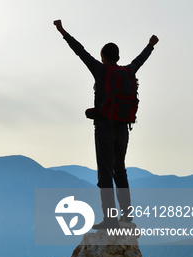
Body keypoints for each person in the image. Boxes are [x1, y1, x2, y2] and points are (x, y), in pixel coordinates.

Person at [53, 19, 159, 229]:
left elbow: (80, 51)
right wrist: (151, 45)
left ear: (103, 57)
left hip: (104, 128)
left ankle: (110, 219)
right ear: (118, 58)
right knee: (120, 170)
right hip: (123, 128)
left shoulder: (100, 71)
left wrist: (62, 31)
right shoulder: (129, 70)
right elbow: (140, 59)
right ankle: (127, 217)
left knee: (104, 173)